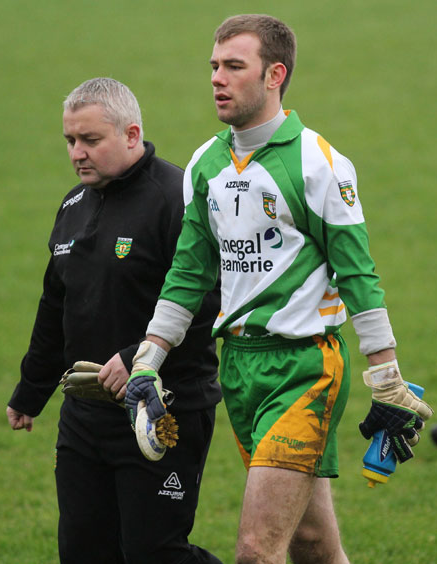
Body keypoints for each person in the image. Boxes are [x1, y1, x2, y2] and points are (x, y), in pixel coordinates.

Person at [124, 15, 434, 564]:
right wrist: (148, 359)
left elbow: (357, 274)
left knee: (255, 550)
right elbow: (190, 274)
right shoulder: (206, 164)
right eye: (214, 66)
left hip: (304, 371)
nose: (218, 78)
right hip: (239, 369)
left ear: (275, 75)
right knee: (314, 545)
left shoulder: (319, 163)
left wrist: (386, 377)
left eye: (234, 67)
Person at [6, 77, 223, 564]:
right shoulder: (73, 206)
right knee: (83, 550)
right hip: (85, 413)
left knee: (155, 553)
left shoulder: (177, 198)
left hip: (164, 407)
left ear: (131, 134)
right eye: (70, 140)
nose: (77, 153)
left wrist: (137, 359)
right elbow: (54, 303)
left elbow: (211, 300)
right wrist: (31, 390)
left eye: (90, 140)